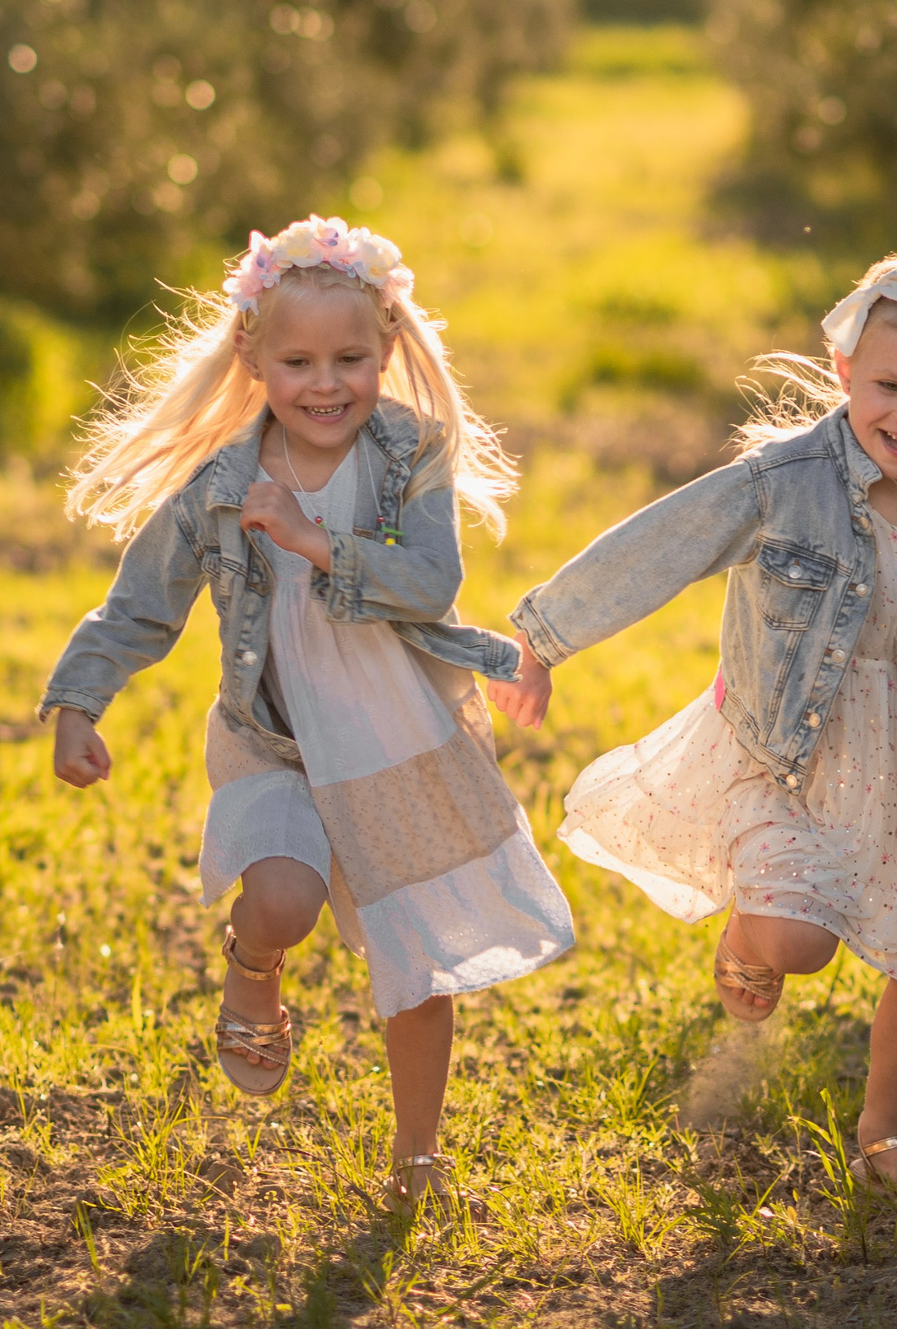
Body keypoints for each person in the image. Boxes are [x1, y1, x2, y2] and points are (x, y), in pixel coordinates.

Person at [39, 215, 572, 1209]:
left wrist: (318, 543)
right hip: (274, 742)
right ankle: (254, 966)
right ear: (254, 357)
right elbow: (139, 602)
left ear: (387, 350)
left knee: (413, 960)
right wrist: (79, 701)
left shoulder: (412, 451)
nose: (325, 383)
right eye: (298, 361)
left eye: (349, 358)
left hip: (399, 739)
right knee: (282, 895)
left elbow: (429, 581)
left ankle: (416, 1150)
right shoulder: (221, 486)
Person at [489, 244, 897, 1186]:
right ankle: (751, 936)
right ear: (844, 372)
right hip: (778, 751)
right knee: (798, 940)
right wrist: (542, 640)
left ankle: (885, 1134)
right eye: (889, 385)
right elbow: (656, 547)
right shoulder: (779, 483)